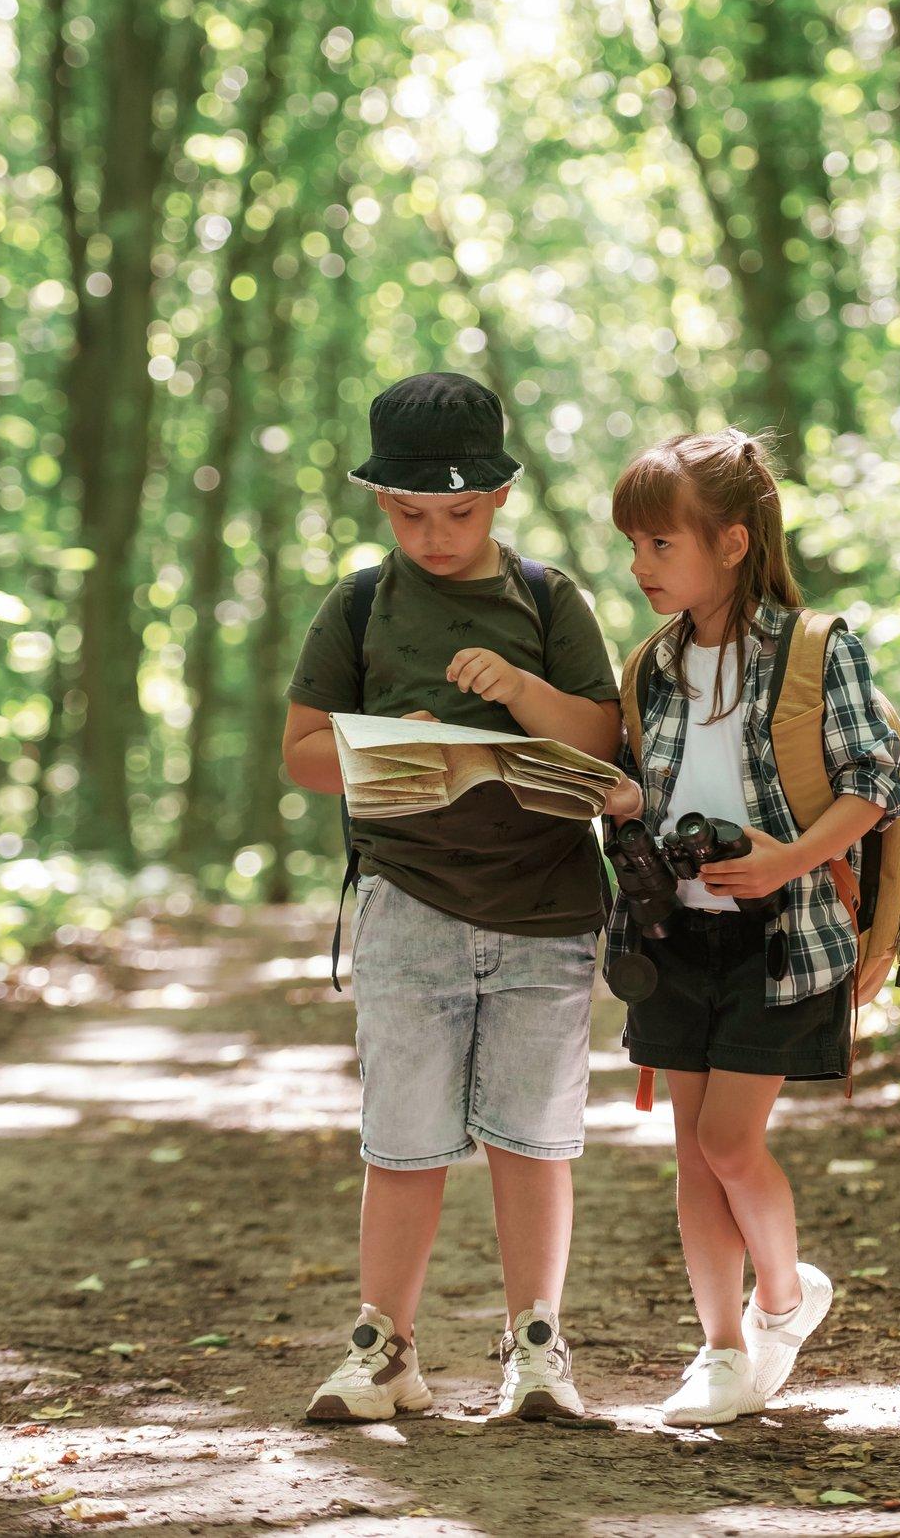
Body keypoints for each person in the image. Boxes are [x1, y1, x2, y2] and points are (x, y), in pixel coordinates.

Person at [281, 372, 621, 1423]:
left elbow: (605, 744)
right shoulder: (357, 603)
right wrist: (403, 755)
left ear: (501, 497)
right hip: (408, 906)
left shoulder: (548, 597)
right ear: (379, 499)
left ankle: (535, 1346)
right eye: (410, 512)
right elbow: (299, 754)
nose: (434, 534)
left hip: (545, 911)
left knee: (532, 1136)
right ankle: (386, 1348)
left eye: (459, 513)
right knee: (404, 1140)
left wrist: (518, 696)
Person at [600, 428, 900, 1426]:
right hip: (674, 942)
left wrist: (784, 856)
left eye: (659, 546)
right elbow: (643, 793)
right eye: (634, 547)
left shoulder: (817, 650)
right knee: (692, 1151)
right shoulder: (651, 663)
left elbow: (874, 782)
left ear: (730, 543)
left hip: (786, 938)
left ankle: (782, 1297)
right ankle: (720, 1351)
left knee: (730, 1144)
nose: (639, 566)